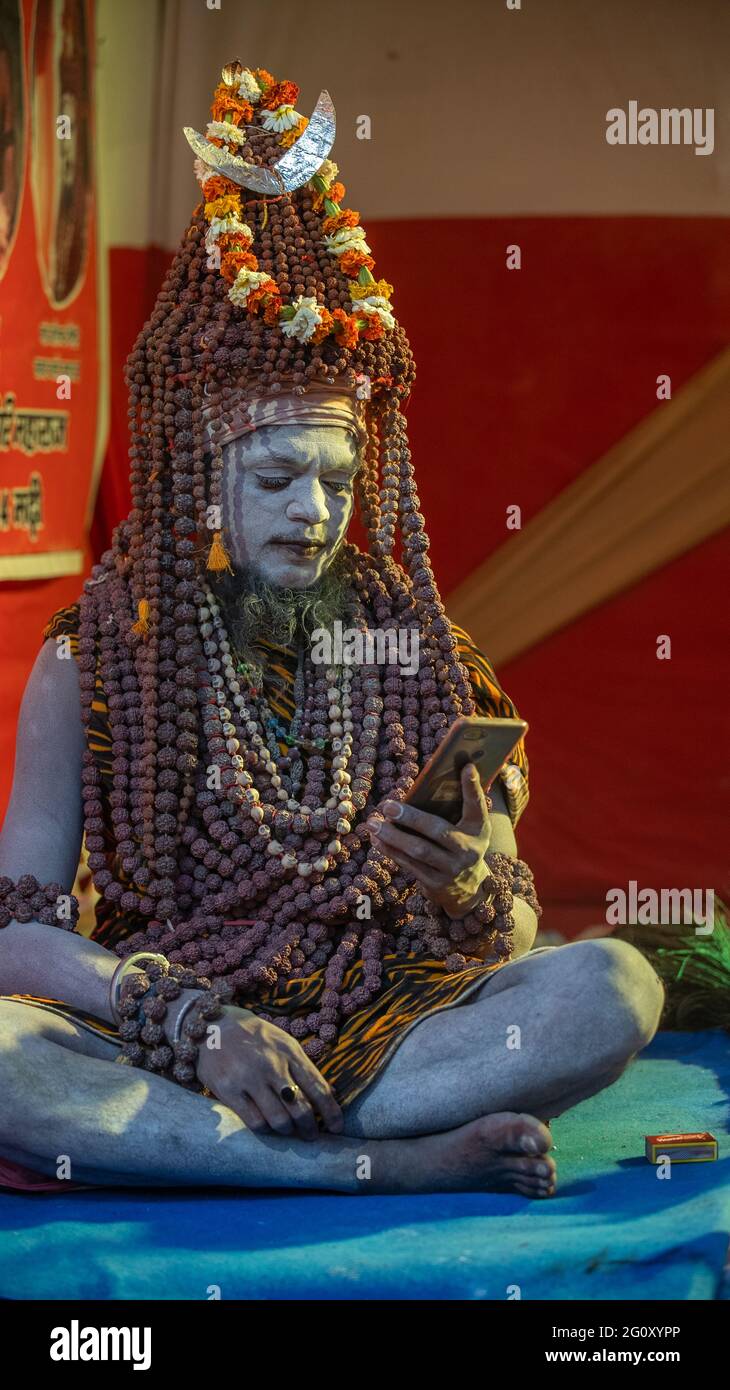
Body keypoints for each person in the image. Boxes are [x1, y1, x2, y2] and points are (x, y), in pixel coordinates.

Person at [0, 61, 664, 1198]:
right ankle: (366, 1165)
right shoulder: (95, 656)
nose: (312, 515)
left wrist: (464, 883)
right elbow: (17, 935)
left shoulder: (425, 658)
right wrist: (189, 1017)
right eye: (275, 477)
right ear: (203, 470)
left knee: (613, 986)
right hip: (178, 1037)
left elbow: (508, 940)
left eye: (336, 480)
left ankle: (245, 1153)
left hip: (386, 1021)